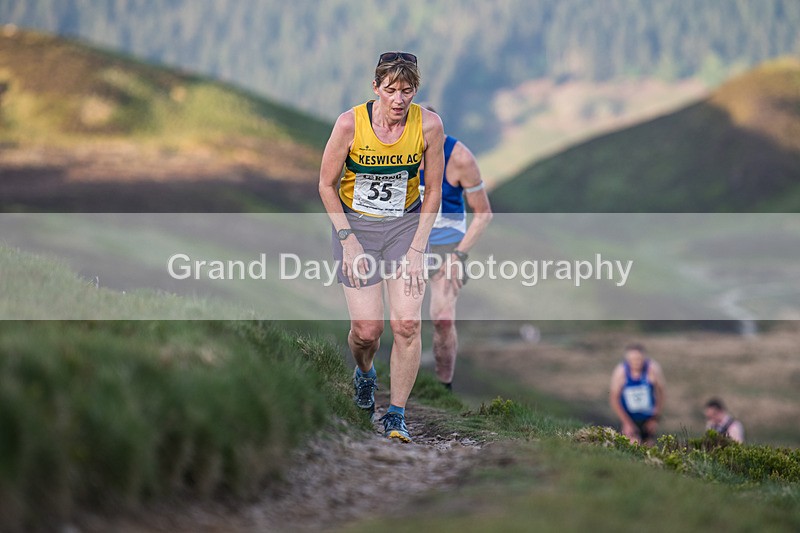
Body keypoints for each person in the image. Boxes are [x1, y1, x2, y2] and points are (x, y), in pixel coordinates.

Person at [318, 51, 444, 442]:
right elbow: (325, 185)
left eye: (407, 90)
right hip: (355, 228)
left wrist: (418, 250)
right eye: (390, 90)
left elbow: (435, 189)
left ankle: (397, 414)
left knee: (406, 323)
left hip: (405, 225)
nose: (399, 99)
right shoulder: (348, 125)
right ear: (376, 88)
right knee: (367, 331)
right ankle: (366, 375)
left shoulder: (430, 126)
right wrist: (348, 240)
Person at [418, 104, 493, 390]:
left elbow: (483, 213)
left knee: (443, 319)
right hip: (404, 241)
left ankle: (443, 388)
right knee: (399, 321)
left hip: (446, 244)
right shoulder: (397, 151)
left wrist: (458, 255)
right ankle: (380, 379)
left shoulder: (460, 157)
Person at [609, 343, 666, 445]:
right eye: (633, 359)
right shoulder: (621, 372)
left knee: (649, 447)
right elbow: (614, 399)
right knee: (633, 444)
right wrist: (626, 422)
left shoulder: (652, 369)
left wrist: (655, 418)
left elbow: (661, 394)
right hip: (629, 417)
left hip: (648, 417)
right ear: (628, 360)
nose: (636, 362)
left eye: (639, 359)